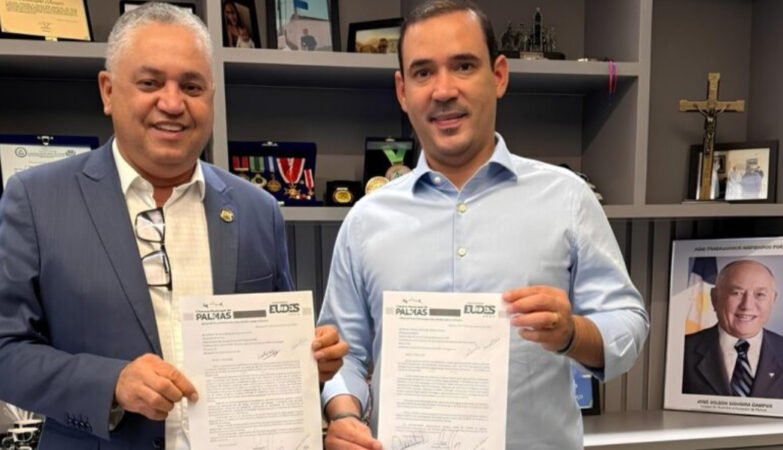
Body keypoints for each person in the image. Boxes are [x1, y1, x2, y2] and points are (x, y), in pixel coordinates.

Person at [0, 3, 347, 449]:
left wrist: (308, 360)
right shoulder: (35, 199)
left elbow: (275, 352)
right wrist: (110, 383)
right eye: (149, 83)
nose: (172, 103)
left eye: (191, 86)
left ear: (211, 96)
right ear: (108, 91)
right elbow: (6, 350)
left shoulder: (258, 209)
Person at [317, 1, 649, 448]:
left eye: (463, 66)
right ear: (402, 91)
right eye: (423, 72)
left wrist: (572, 333)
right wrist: (344, 415)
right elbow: (345, 354)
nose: (443, 90)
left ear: (499, 75)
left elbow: (628, 323)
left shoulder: (567, 198)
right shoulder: (365, 220)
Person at [683, 260, 783, 398]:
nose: (747, 306)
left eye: (760, 295)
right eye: (737, 293)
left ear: (773, 300)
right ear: (714, 298)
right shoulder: (682, 350)